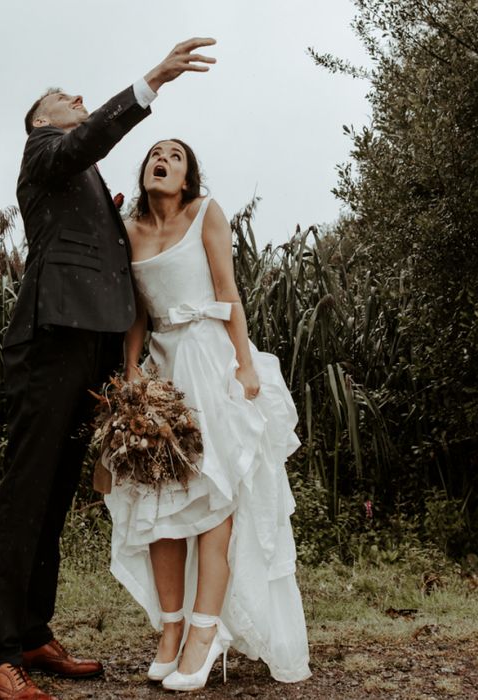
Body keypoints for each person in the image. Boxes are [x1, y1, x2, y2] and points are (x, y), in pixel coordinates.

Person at [0, 40, 217, 700]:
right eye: (63, 98)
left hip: (91, 351)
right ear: (40, 120)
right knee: (25, 496)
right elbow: (85, 140)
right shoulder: (45, 154)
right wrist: (154, 80)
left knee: (53, 497)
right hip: (50, 343)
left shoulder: (80, 180)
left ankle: (30, 633)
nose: (77, 100)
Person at [104, 139, 312, 692]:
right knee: (160, 504)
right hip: (163, 371)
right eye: (153, 153)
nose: (161, 158)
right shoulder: (130, 232)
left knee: (214, 502)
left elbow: (230, 294)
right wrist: (131, 372)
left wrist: (245, 366)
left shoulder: (205, 214)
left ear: (188, 174)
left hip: (210, 359)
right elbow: (134, 314)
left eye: (174, 154)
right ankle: (170, 632)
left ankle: (205, 633)